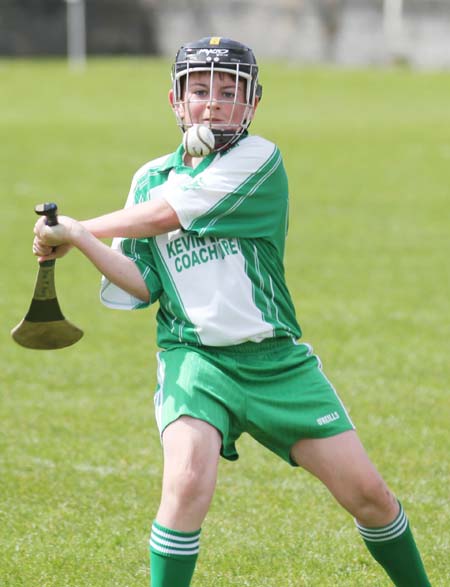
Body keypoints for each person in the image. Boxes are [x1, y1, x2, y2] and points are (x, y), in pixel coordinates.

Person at [33, 37, 432, 587]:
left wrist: (77, 228)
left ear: (252, 103)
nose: (214, 103)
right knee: (187, 481)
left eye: (230, 91)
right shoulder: (149, 177)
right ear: (175, 100)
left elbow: (165, 216)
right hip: (194, 360)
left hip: (277, 363)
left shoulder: (257, 160)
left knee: (369, 497)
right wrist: (78, 243)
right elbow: (142, 285)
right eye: (199, 90)